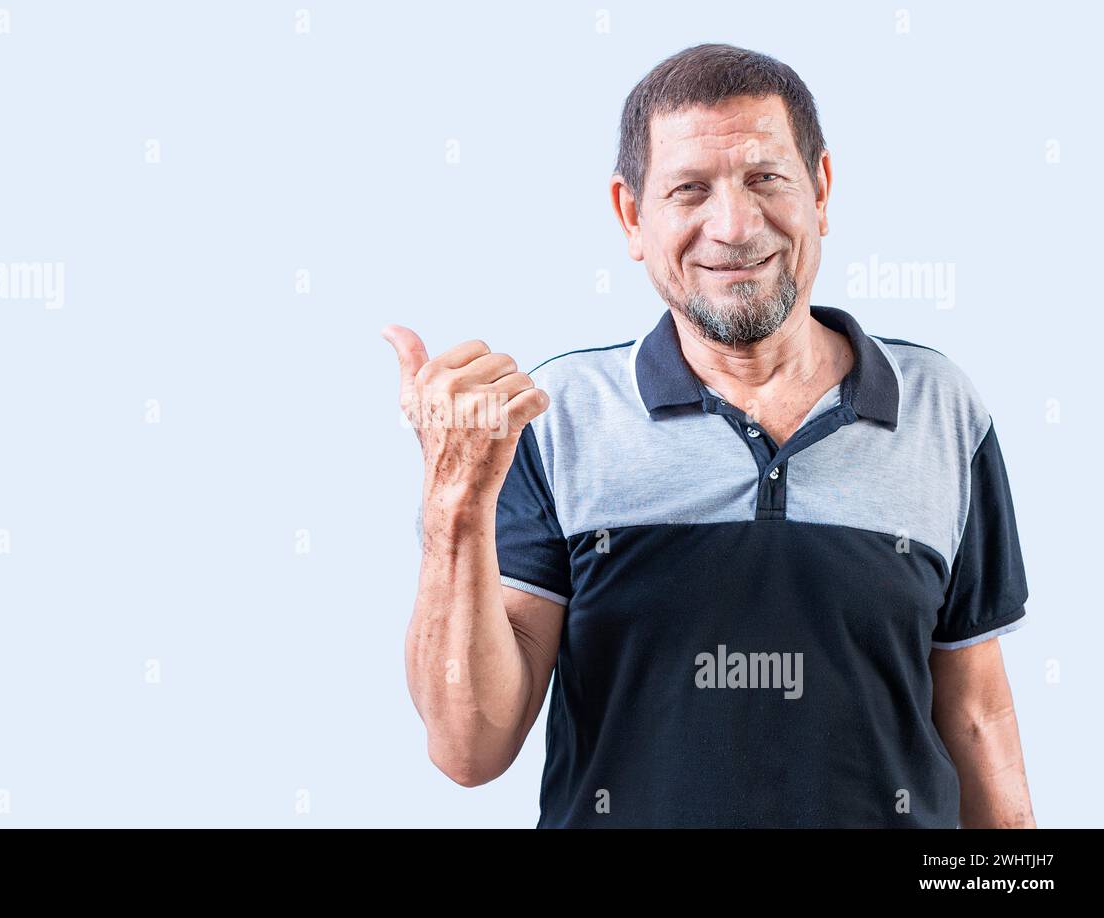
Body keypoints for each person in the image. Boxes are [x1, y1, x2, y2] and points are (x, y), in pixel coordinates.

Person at [383, 43, 1033, 828]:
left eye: (766, 178)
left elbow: (976, 717)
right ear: (633, 216)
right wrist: (455, 500)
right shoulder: (556, 419)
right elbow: (468, 748)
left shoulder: (941, 408)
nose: (733, 226)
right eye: (690, 190)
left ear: (820, 190)